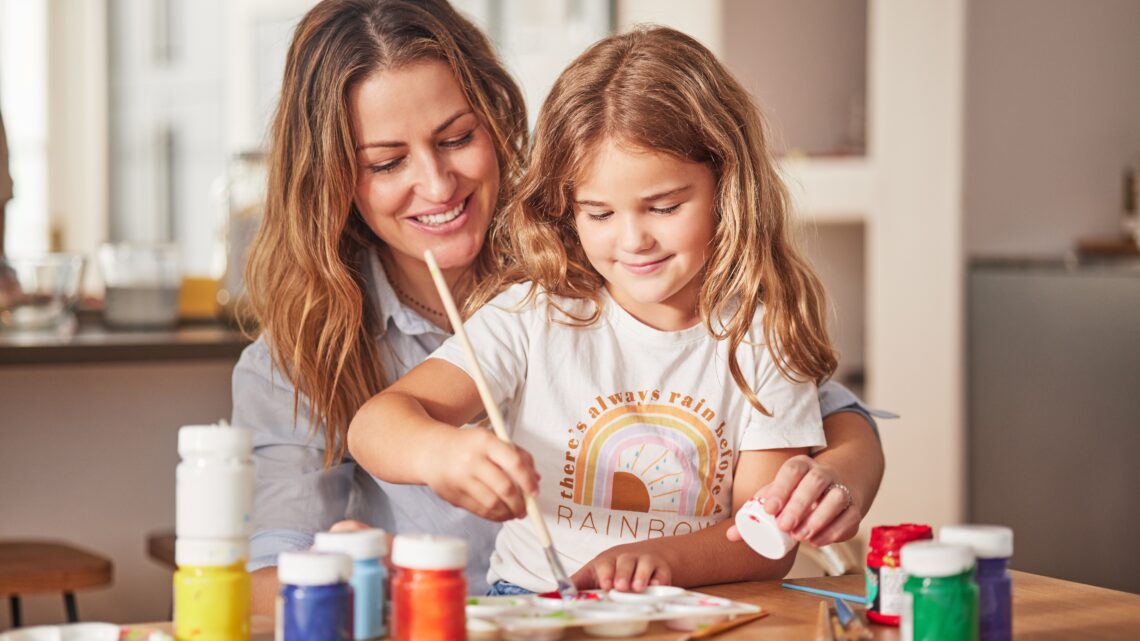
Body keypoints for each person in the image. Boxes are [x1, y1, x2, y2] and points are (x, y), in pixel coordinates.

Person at [235, 0, 883, 611]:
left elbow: (820, 417)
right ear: (332, 179)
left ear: (497, 117)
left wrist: (849, 466)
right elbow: (274, 571)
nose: (435, 183)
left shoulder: (577, 253)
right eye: (386, 162)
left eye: (457, 137)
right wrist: (365, 560)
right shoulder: (308, 354)